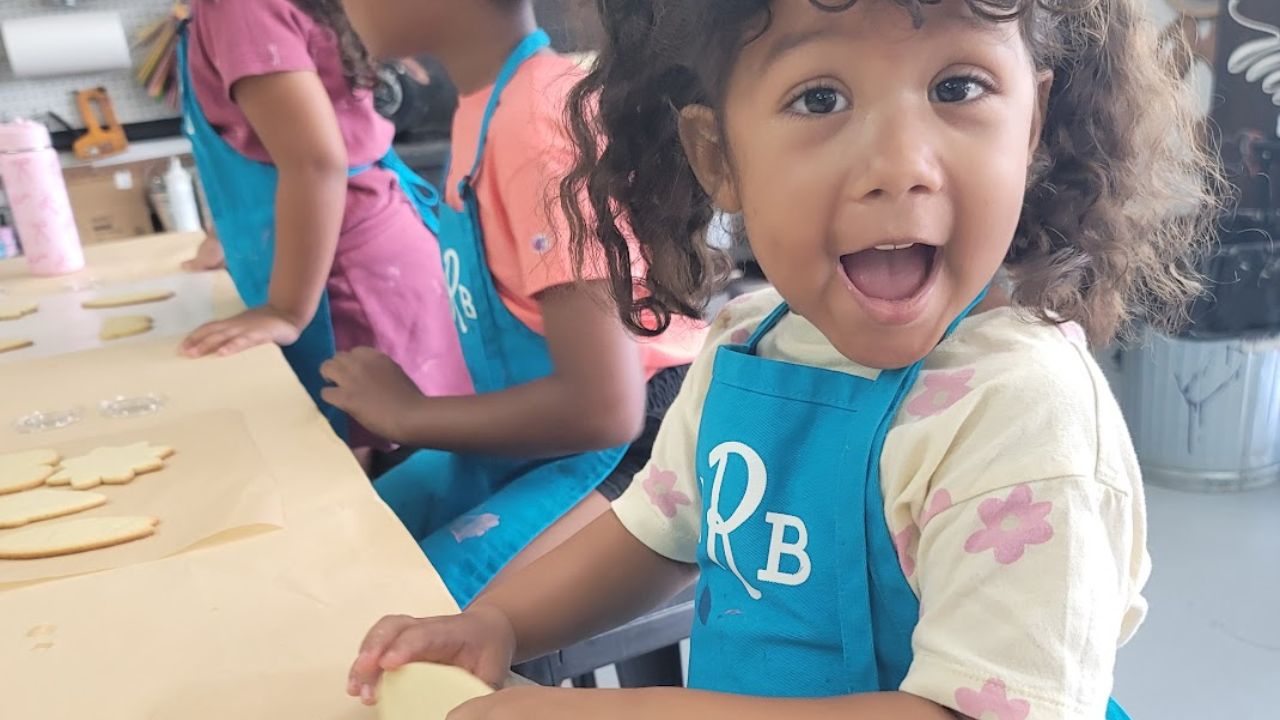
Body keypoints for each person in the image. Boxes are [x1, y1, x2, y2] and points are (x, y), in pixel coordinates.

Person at [346, 0, 1225, 717]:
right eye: (820, 99)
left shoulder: (1024, 418)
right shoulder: (746, 347)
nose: (899, 165)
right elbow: (655, 530)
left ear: (1030, 128)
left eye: (958, 85)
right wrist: (500, 623)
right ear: (717, 158)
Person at [321, 0, 706, 605]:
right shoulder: (487, 106)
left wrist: (409, 415)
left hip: (641, 446)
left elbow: (605, 407)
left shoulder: (534, 121)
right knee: (347, 547)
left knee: (416, 612)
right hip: (562, 431)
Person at [177, 0, 472, 450]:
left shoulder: (239, 7)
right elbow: (260, 141)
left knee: (360, 460)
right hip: (364, 249)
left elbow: (314, 162)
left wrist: (285, 311)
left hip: (351, 274)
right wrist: (228, 236)